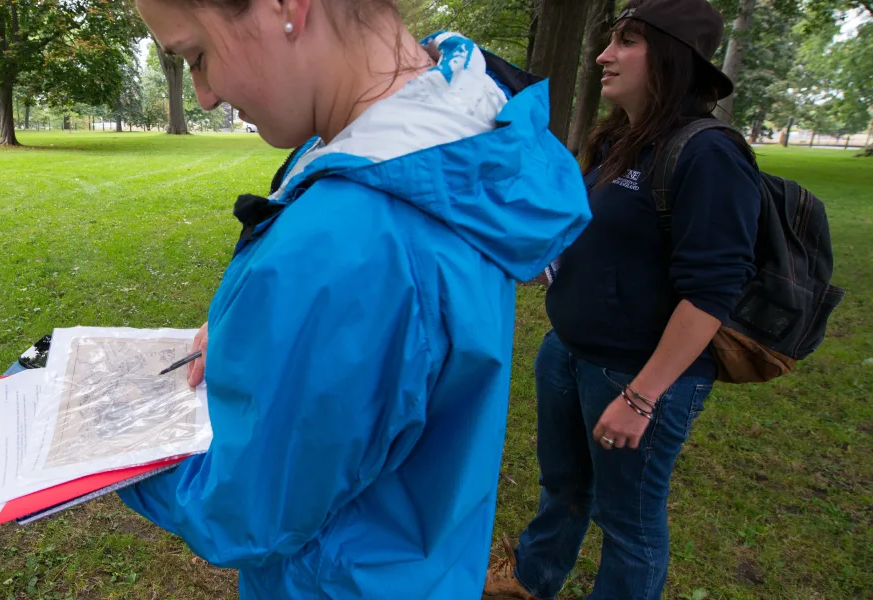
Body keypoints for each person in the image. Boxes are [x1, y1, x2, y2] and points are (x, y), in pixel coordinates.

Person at [117, 0, 590, 596]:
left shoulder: (352, 237)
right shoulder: (446, 137)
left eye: (198, 56)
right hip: (423, 569)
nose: (204, 94)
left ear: (285, 9)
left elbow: (249, 510)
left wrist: (106, 452)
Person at [483, 0, 760, 598]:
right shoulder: (618, 142)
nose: (604, 55)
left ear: (669, 58)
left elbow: (713, 292)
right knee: (563, 488)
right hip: (568, 352)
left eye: (627, 41)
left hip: (636, 372)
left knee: (628, 522)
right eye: (610, 41)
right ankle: (529, 583)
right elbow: (594, 242)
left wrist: (641, 398)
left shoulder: (710, 152)